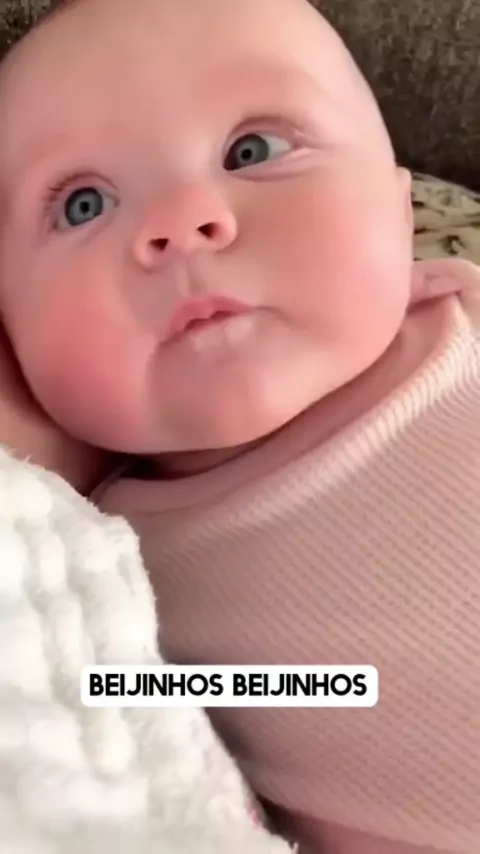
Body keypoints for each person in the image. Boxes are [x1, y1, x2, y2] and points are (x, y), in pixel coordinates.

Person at [0, 0, 478, 851]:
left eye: (251, 151)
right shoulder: (96, 556)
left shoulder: (461, 318)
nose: (181, 222)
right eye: (81, 205)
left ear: (401, 210)